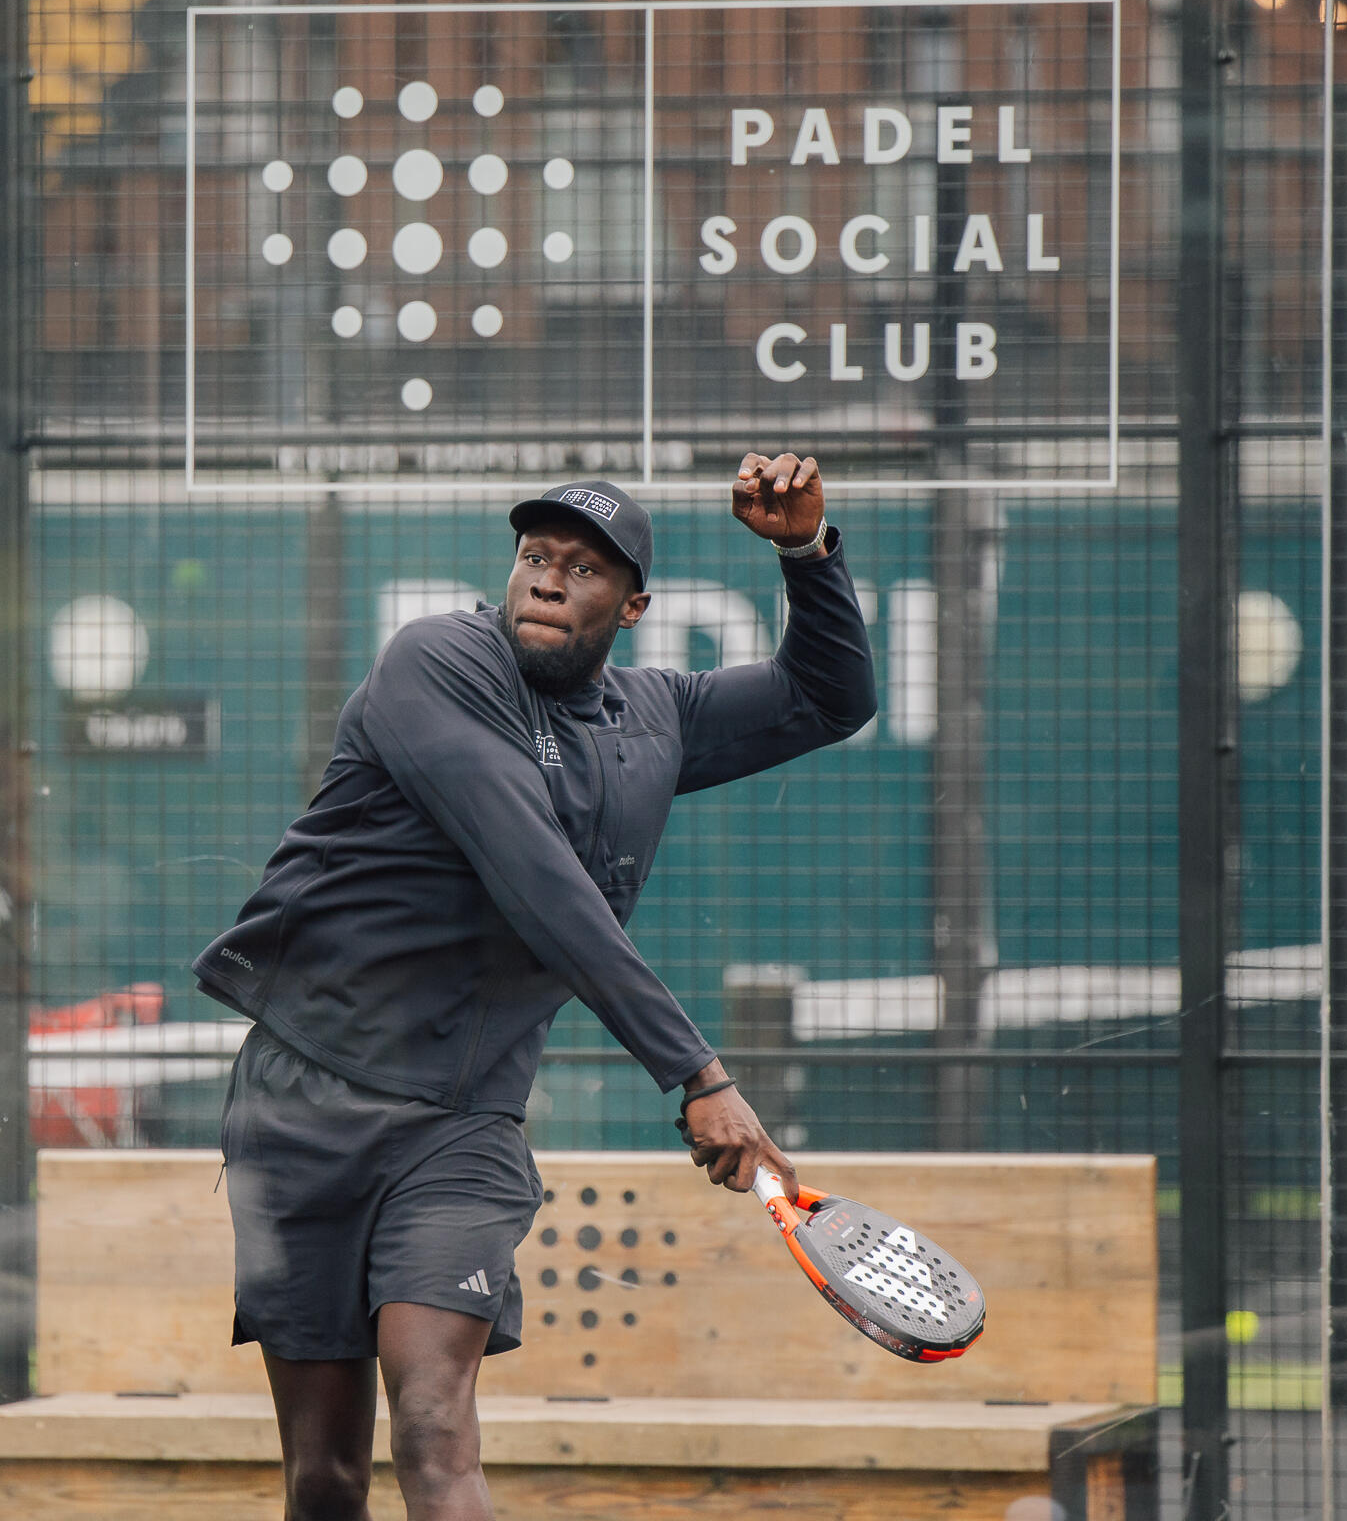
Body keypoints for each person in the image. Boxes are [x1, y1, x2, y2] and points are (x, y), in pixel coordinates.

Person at [191, 453, 877, 1521]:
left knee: (434, 1424)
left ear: (635, 606)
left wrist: (804, 554)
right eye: (536, 557)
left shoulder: (656, 718)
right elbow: (540, 880)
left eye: (587, 569)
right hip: (302, 1108)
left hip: (461, 1127)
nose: (550, 581)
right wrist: (696, 1072)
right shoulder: (438, 663)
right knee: (323, 1477)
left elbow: (829, 698)